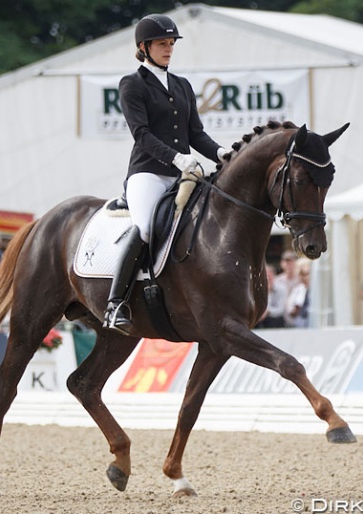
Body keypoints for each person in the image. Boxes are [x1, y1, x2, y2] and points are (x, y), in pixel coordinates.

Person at [103, 13, 228, 334]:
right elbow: (141, 134)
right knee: (145, 228)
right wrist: (176, 158)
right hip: (148, 174)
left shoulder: (182, 85)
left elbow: (196, 134)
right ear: (144, 47)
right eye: (162, 44)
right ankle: (116, 303)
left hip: (183, 172)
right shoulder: (132, 83)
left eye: (171, 44)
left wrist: (222, 153)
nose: (169, 49)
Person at [255, 263, 285, 328]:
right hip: (259, 317)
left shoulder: (281, 288)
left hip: (274, 319)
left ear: (274, 276)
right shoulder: (256, 289)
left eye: (270, 277)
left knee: (274, 320)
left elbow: (281, 309)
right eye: (265, 277)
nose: (267, 279)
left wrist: (268, 311)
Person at [285, 258, 311, 328]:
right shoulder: (297, 290)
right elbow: (289, 309)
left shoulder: (316, 290)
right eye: (301, 274)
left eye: (306, 274)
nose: (304, 277)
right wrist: (296, 310)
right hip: (300, 323)